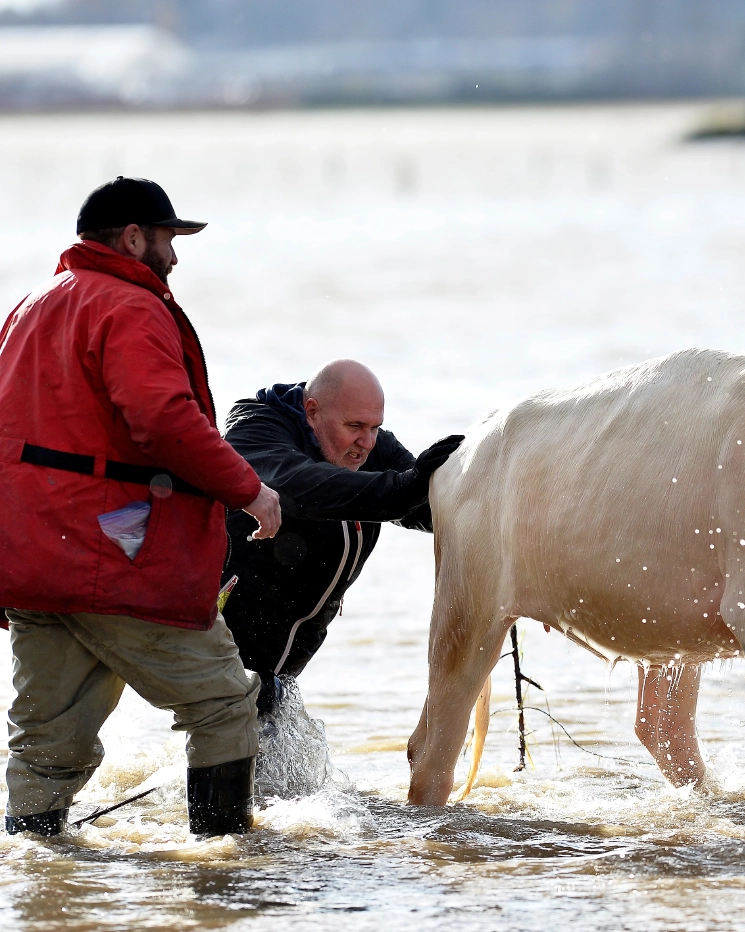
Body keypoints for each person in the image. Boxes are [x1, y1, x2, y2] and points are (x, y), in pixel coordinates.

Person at [0, 177, 282, 836]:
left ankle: (40, 884)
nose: (175, 257)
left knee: (46, 741)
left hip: (33, 559)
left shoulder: (31, 305)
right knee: (223, 704)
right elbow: (162, 418)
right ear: (133, 238)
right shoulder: (128, 305)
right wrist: (249, 489)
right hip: (113, 554)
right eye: (168, 239)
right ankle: (226, 874)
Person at [219, 360, 461, 717]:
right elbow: (303, 487)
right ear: (312, 411)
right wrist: (406, 486)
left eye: (375, 427)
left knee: (282, 759)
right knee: (235, 745)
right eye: (355, 427)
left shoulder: (369, 445)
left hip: (286, 661)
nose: (366, 442)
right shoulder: (256, 431)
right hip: (222, 643)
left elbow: (427, 508)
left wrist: (520, 558)